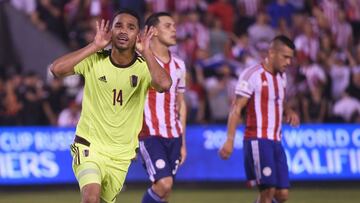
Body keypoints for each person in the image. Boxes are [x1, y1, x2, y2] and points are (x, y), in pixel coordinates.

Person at [50, 9, 172, 203]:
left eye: (131, 27)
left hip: (120, 156)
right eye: (118, 26)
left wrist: (147, 52)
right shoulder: (94, 59)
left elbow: (164, 84)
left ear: (138, 35)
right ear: (110, 32)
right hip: (89, 146)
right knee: (91, 198)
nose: (124, 31)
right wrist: (94, 46)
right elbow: (56, 70)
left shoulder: (143, 67)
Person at [219, 35, 300, 203]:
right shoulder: (252, 75)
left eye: (290, 58)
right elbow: (236, 108)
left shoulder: (282, 77)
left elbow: (278, 99)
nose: (288, 62)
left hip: (276, 141)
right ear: (271, 53)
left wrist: (288, 111)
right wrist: (229, 140)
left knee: (282, 195)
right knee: (268, 190)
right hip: (257, 140)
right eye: (285, 57)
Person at [138, 12, 187, 203]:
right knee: (164, 184)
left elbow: (180, 104)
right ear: (153, 32)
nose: (174, 29)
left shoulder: (179, 65)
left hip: (174, 135)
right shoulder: (140, 62)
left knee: (164, 192)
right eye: (168, 26)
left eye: (174, 26)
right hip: (149, 133)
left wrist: (183, 141)